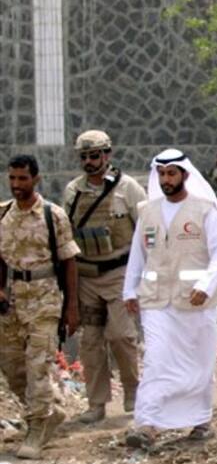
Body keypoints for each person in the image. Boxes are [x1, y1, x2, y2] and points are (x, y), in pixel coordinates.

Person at [122, 150, 217, 449]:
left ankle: (200, 419)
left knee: (198, 361)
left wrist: (206, 283)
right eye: (162, 174)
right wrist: (129, 290)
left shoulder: (204, 209)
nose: (166, 179)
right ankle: (147, 423)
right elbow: (138, 255)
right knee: (156, 358)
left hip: (195, 301)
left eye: (172, 173)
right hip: (156, 300)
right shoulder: (147, 211)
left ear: (185, 175)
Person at [63, 130, 147, 424]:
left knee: (122, 335)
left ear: (107, 155)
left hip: (119, 274)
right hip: (87, 275)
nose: (89, 161)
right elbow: (66, 235)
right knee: (90, 343)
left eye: (95, 155)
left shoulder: (128, 189)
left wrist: (143, 276)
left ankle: (133, 392)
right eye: (84, 156)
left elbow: (146, 233)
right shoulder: (73, 191)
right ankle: (96, 403)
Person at [0, 156, 81, 459]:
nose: (17, 185)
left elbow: (69, 261)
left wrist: (72, 308)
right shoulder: (3, 214)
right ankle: (50, 411)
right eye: (13, 178)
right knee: (13, 368)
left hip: (45, 301)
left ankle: (36, 429)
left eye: (23, 178)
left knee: (38, 366)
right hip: (12, 301)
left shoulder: (53, 215)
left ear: (36, 179)